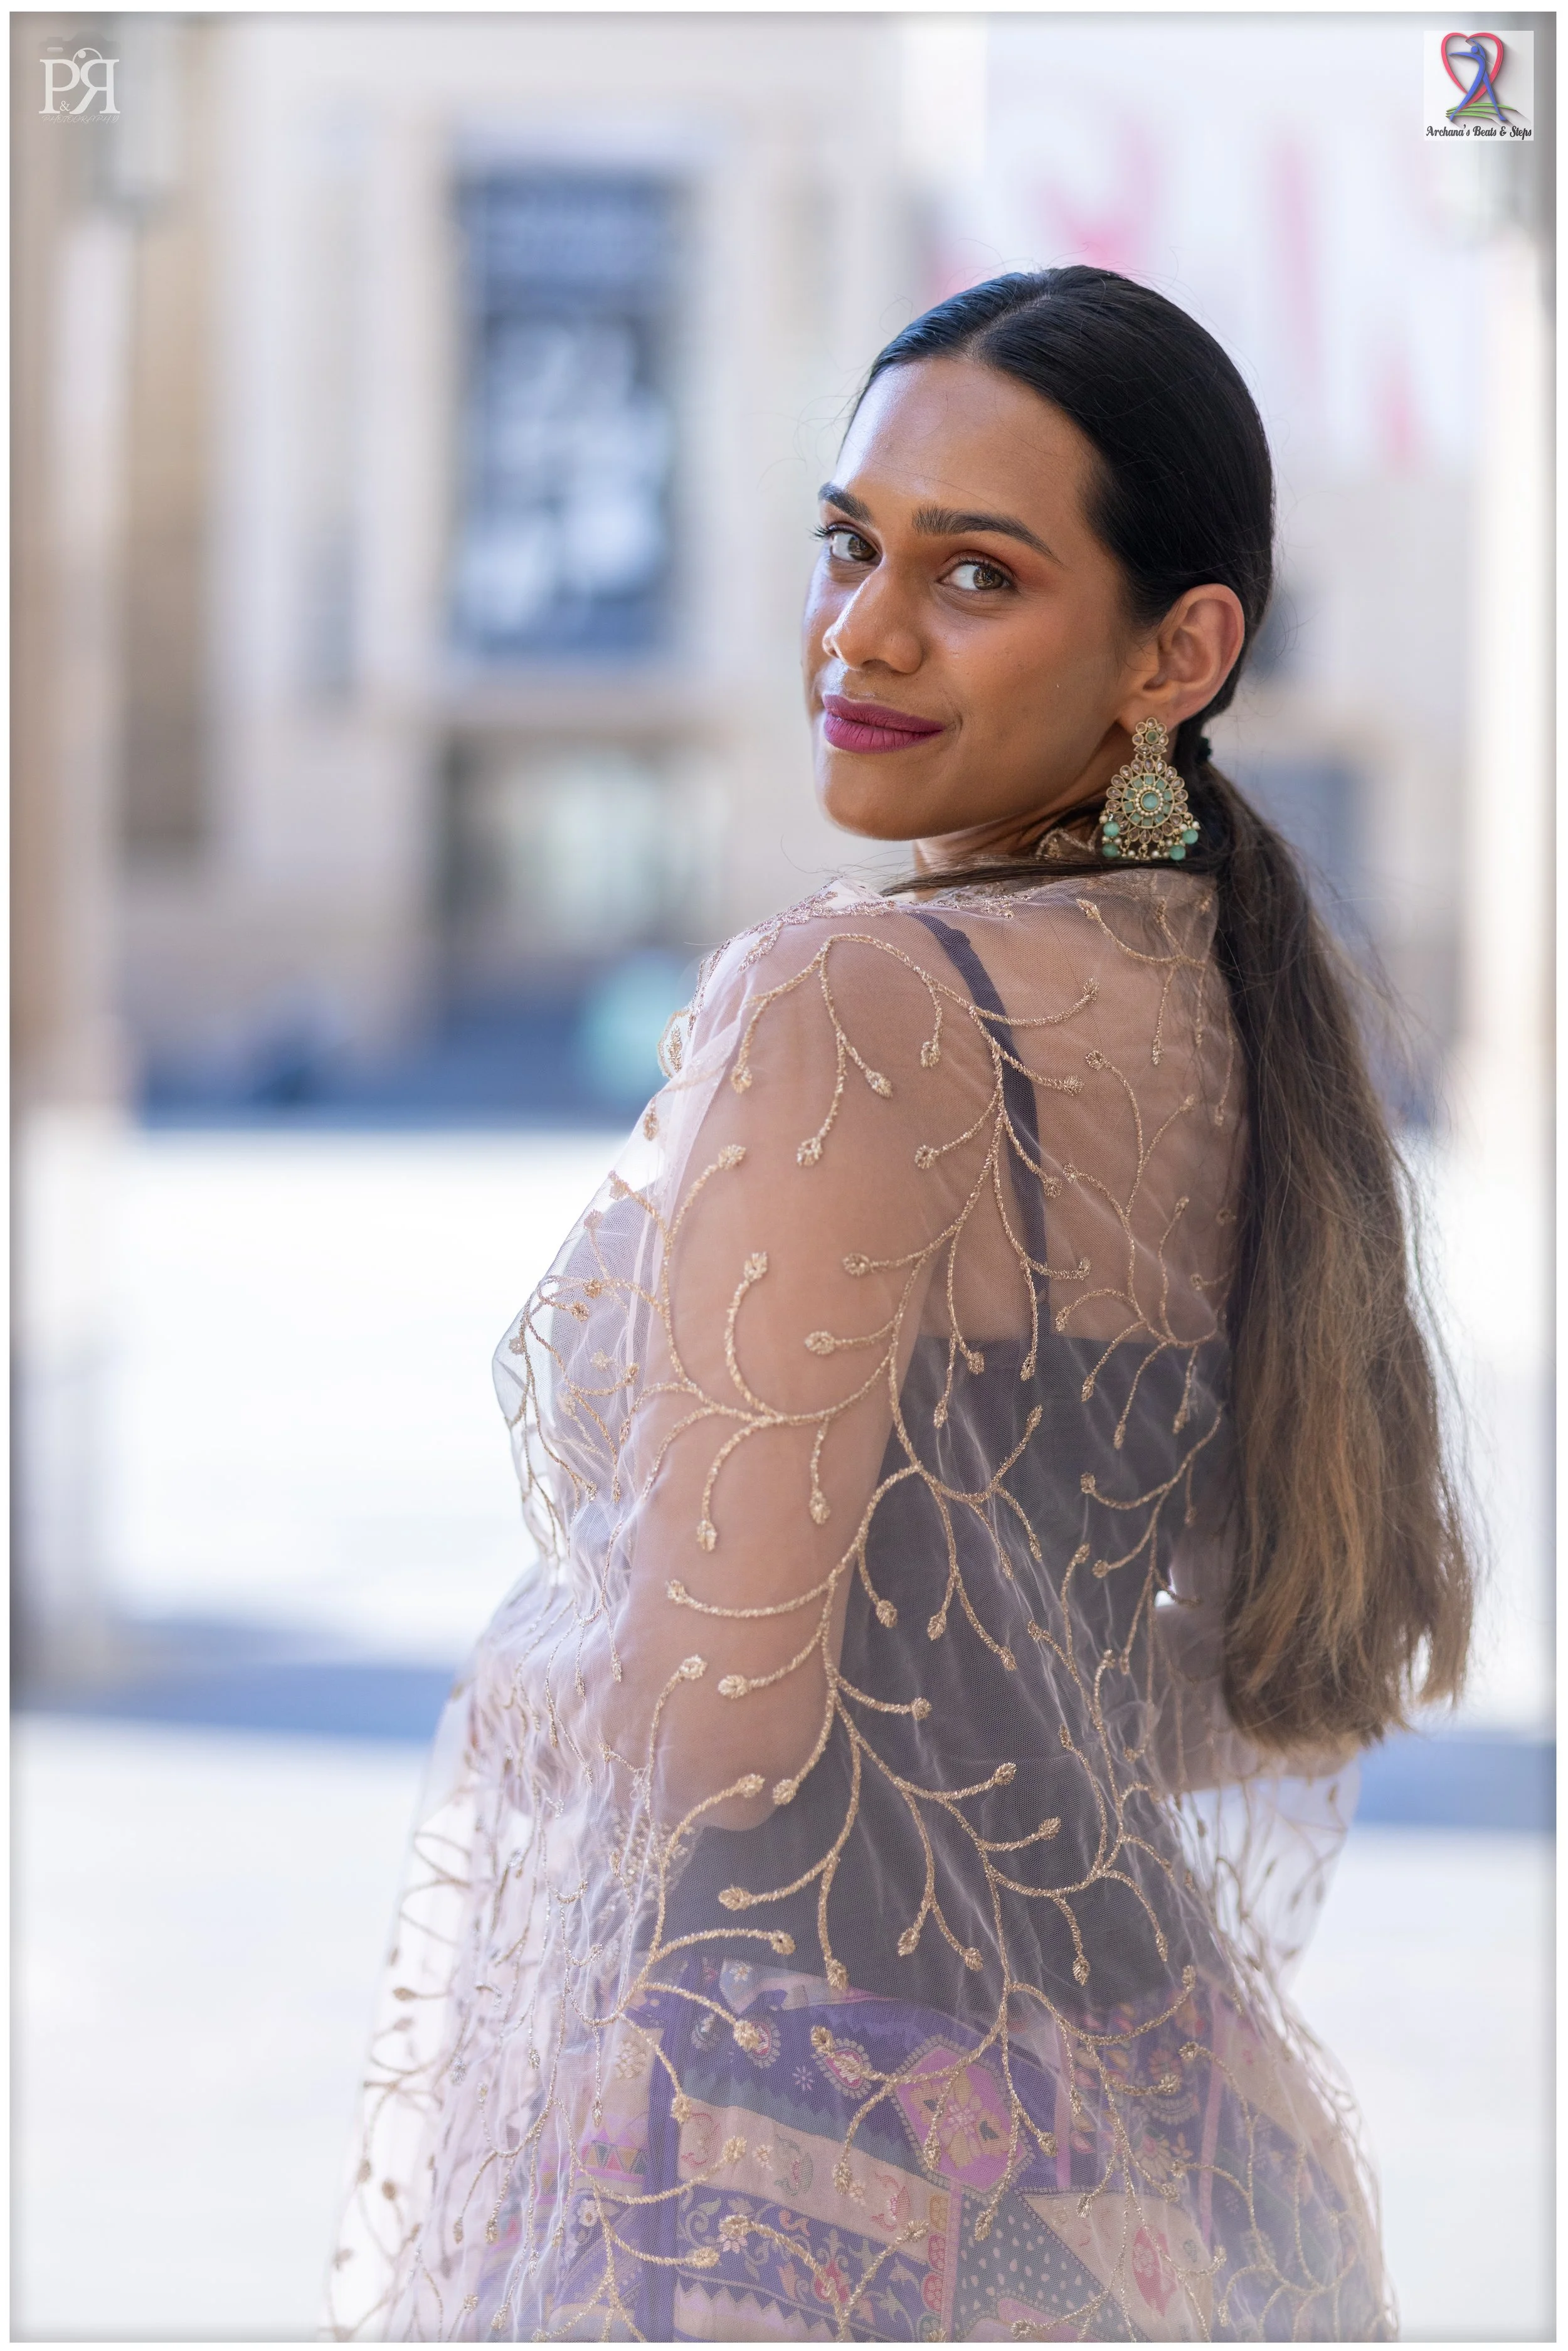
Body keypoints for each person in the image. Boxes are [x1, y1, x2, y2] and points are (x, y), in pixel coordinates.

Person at [327, 268, 1473, 2343]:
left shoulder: (857, 1003)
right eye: (849, 543)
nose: (861, 628)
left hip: (793, 2161)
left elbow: (727, 1713)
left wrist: (518, 1676)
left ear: (1177, 650)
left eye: (975, 572)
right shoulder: (1226, 1017)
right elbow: (1201, 1674)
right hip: (1161, 2150)